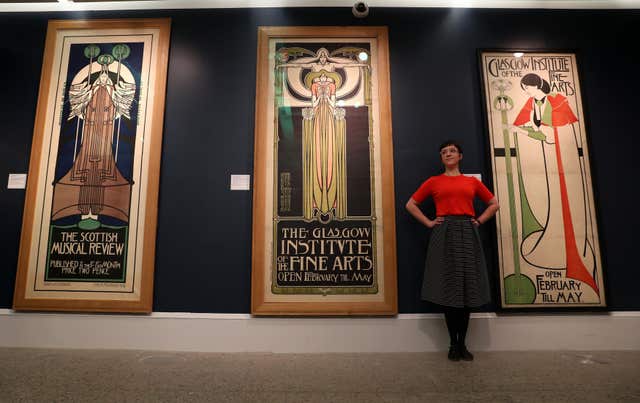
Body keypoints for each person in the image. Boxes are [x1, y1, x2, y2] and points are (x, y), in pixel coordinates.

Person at [406, 140, 499, 361]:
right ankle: (452, 344)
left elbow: (494, 203)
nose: (448, 154)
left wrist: (478, 220)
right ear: (441, 158)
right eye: (444, 152)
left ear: (460, 156)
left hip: (467, 231)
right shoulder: (433, 181)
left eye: (452, 151)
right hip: (443, 233)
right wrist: (429, 223)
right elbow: (410, 204)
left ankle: (463, 344)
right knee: (448, 289)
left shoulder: (471, 182)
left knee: (466, 290)